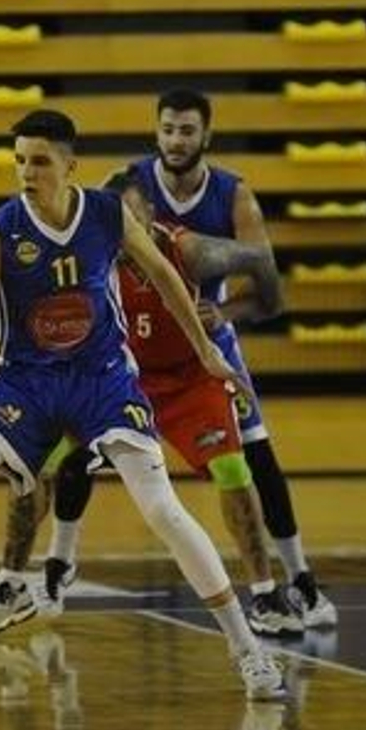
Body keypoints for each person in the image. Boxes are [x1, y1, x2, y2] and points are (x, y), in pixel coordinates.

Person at [0, 109, 286, 700]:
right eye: (19, 160)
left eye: (39, 161)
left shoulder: (105, 213)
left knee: (162, 510)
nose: (26, 171)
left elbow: (168, 280)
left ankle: (247, 651)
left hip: (103, 380)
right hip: (25, 382)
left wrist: (206, 352)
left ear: (70, 166)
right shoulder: (1, 232)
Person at [0, 175, 303, 640]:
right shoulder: (84, 256)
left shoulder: (189, 251)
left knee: (234, 474)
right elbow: (6, 311)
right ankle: (10, 585)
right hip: (119, 378)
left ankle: (264, 593)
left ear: (149, 219)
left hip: (188, 380)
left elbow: (259, 259)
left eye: (128, 219)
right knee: (34, 465)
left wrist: (235, 313)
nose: (117, 231)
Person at [124, 88, 337, 628]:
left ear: (206, 136)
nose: (176, 140)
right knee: (76, 448)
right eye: (168, 129)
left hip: (205, 347)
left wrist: (227, 310)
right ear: (157, 131)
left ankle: (301, 582)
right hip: (142, 346)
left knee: (258, 460)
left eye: (187, 131)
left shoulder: (233, 195)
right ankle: (51, 569)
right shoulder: (127, 186)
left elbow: (269, 288)